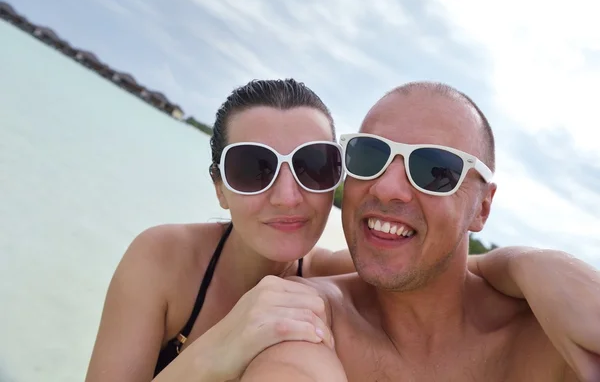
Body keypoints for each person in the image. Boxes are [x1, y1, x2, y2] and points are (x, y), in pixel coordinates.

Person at [85, 79, 597, 382]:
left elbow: (440, 265)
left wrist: (533, 264)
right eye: (251, 168)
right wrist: (218, 350)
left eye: (311, 165)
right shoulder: (165, 258)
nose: (286, 195)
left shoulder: (330, 276)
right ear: (219, 189)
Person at [240, 82, 600, 382]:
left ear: (483, 208)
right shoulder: (306, 319)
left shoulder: (554, 341)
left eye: (434, 170)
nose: (386, 188)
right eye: (368, 155)